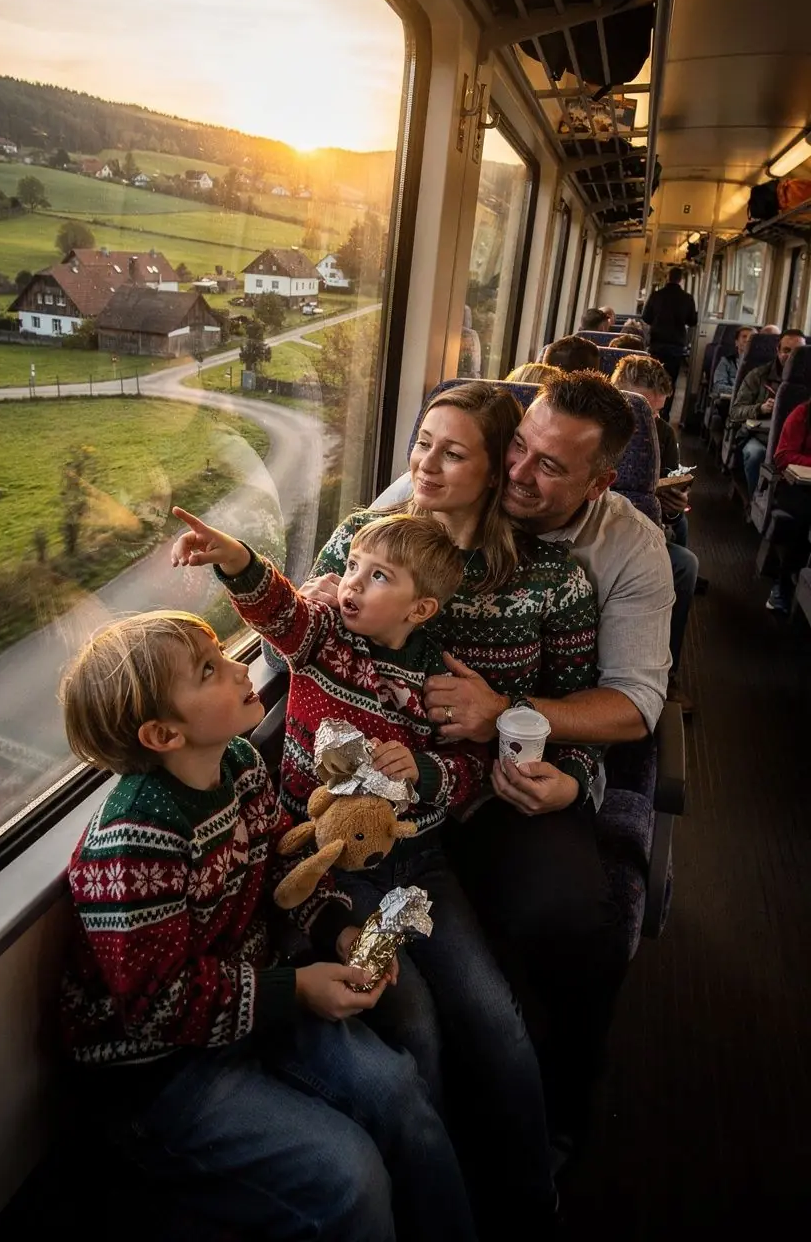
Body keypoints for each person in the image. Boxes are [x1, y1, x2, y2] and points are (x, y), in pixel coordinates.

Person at [172, 501, 567, 1235]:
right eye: (351, 565)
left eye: (375, 575)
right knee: (410, 1017)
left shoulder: (438, 687)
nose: (350, 582)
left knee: (493, 1012)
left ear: (420, 606)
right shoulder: (325, 642)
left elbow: (473, 772)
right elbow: (281, 611)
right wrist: (233, 558)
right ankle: (434, 1177)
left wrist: (422, 769)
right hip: (335, 874)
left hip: (417, 867)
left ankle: (527, 1189)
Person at [315, 375, 674, 1149]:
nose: (520, 473)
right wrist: (311, 595)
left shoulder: (599, 562)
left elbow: (629, 704)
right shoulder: (378, 530)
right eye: (518, 449)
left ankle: (555, 1116)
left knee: (559, 923)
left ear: (597, 482)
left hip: (495, 783)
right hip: (365, 822)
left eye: (547, 466)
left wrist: (528, 738)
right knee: (414, 1017)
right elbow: (312, 626)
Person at [60, 610, 477, 1242]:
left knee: (395, 1089)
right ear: (163, 733)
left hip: (248, 1005)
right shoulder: (133, 842)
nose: (238, 667)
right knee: (349, 1177)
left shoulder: (238, 765)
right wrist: (297, 990)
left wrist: (336, 928)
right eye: (209, 670)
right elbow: (156, 1003)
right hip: (160, 1072)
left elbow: (285, 859)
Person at [610, 353, 699, 712]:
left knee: (684, 561)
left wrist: (675, 506)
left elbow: (671, 481)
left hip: (644, 524)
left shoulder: (659, 432)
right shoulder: (587, 424)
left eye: (658, 411)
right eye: (643, 407)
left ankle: (667, 671)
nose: (652, 419)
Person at [730, 329, 805, 496]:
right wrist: (760, 408)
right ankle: (756, 500)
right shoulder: (758, 376)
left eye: (797, 352)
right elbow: (735, 413)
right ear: (777, 351)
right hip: (760, 437)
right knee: (755, 454)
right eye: (786, 350)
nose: (791, 356)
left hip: (797, 442)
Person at [765, 399, 811, 613]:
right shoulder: (802, 414)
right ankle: (782, 586)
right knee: (806, 516)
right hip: (795, 487)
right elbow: (782, 456)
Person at [641, 266, 699, 418]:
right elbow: (693, 321)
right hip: (676, 346)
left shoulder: (656, 296)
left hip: (657, 344)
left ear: (668, 278)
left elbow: (646, 317)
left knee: (653, 379)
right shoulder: (687, 298)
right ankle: (664, 415)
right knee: (670, 380)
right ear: (681, 280)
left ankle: (650, 411)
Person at [713, 326, 755, 398]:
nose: (747, 340)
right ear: (736, 342)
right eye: (744, 336)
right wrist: (742, 391)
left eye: (752, 337)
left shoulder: (764, 365)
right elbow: (718, 387)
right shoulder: (726, 362)